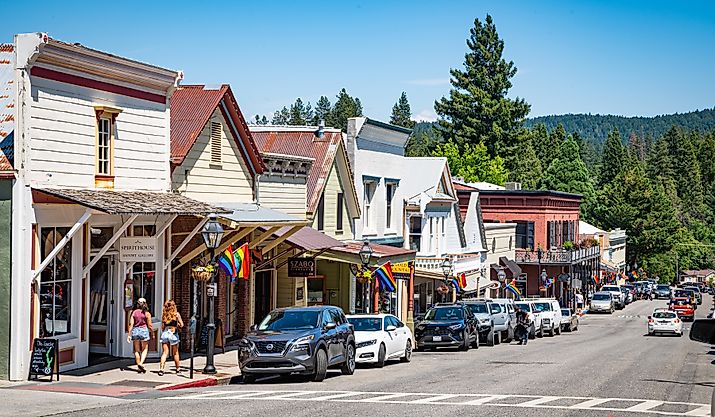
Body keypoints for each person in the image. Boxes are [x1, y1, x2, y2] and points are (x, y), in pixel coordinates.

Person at [127, 298, 153, 373]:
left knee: (136, 350)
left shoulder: (134, 312)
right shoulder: (147, 313)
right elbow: (150, 325)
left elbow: (131, 324)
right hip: (144, 330)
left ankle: (139, 366)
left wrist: (129, 334)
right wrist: (152, 333)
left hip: (135, 331)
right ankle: (141, 363)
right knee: (145, 349)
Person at [159, 300, 184, 376]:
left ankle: (161, 369)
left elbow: (163, 326)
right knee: (175, 353)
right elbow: (182, 324)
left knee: (165, 352)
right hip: (173, 333)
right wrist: (178, 325)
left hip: (166, 332)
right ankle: (177, 369)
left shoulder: (164, 314)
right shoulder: (176, 314)